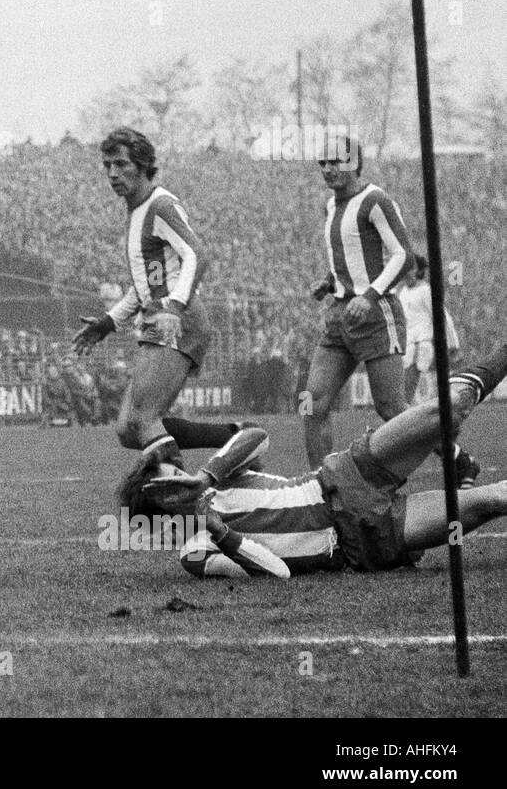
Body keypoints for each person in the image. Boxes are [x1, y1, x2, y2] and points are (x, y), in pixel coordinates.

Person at [116, 342, 507, 579]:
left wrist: (206, 476)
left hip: (345, 476)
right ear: (161, 511)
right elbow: (277, 572)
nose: (181, 479)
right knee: (492, 500)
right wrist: (218, 529)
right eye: (171, 484)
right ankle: (466, 482)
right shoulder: (195, 551)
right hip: (364, 540)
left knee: (450, 409)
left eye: (176, 472)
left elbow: (256, 436)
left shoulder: (217, 477)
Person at [72, 127, 230, 470]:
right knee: (128, 430)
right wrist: (108, 322)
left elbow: (197, 256)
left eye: (121, 164)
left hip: (176, 320)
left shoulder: (160, 205)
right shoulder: (137, 211)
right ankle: (234, 438)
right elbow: (144, 287)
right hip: (159, 317)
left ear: (143, 165)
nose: (113, 173)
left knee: (143, 419)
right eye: (107, 165)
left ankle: (186, 502)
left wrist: (175, 307)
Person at [303, 135, 414, 468]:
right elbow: (349, 256)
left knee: (391, 408)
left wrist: (369, 295)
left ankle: (455, 458)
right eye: (322, 163)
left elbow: (403, 256)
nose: (327, 169)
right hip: (339, 315)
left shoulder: (375, 199)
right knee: (312, 402)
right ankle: (322, 487)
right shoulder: (330, 206)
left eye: (335, 161)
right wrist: (328, 281)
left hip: (376, 314)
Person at [399, 255, 461, 404]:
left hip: (421, 345)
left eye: (410, 269)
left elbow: (442, 317)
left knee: (407, 392)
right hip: (406, 346)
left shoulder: (426, 291)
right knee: (405, 393)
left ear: (418, 271)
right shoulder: (403, 292)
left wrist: (453, 345)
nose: (406, 273)